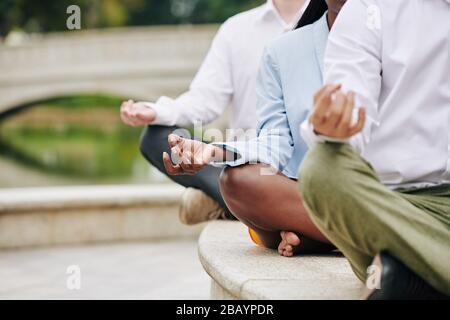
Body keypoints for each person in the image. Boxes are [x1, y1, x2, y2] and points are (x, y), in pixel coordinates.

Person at [163, 0, 346, 256]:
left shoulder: (398, 37)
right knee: (238, 180)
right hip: (309, 191)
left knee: (268, 230)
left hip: (384, 189)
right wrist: (214, 152)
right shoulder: (281, 51)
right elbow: (274, 141)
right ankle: (344, 235)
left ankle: (315, 236)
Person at [298, 0, 450, 299]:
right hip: (391, 206)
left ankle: (410, 270)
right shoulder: (370, 8)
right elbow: (351, 93)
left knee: (394, 275)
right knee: (321, 169)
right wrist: (336, 124)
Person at [120, 0, 310, 225]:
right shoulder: (236, 29)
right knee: (156, 137)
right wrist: (156, 111)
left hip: (304, 163)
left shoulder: (329, 19)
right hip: (247, 162)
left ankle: (228, 203)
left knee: (257, 174)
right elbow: (205, 99)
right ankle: (236, 201)